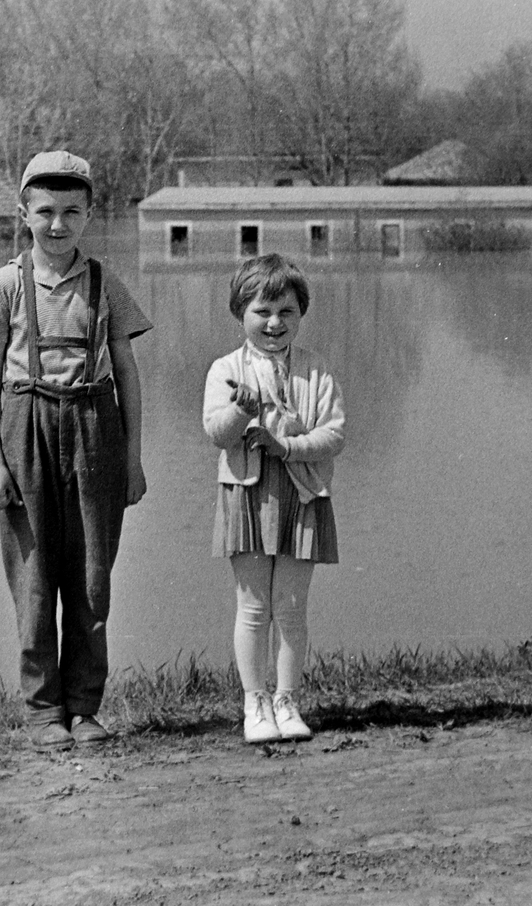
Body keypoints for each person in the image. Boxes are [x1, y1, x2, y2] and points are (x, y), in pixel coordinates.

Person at [0, 150, 151, 751]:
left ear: (90, 213)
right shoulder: (4, 285)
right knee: (34, 579)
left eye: (71, 211)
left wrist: (133, 456)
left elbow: (127, 372)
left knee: (91, 578)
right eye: (45, 212)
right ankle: (43, 712)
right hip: (27, 425)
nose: (58, 225)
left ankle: (85, 707)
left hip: (96, 427)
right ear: (24, 214)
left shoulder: (105, 283)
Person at [202, 254, 345, 743]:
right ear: (240, 313)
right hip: (246, 494)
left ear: (300, 315)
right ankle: (254, 703)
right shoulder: (225, 369)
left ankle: (286, 701)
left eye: (286, 311)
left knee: (290, 606)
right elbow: (216, 434)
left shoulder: (316, 370)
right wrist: (241, 414)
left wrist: (288, 446)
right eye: (262, 311)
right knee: (253, 606)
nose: (274, 323)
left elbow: (335, 435)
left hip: (303, 494)